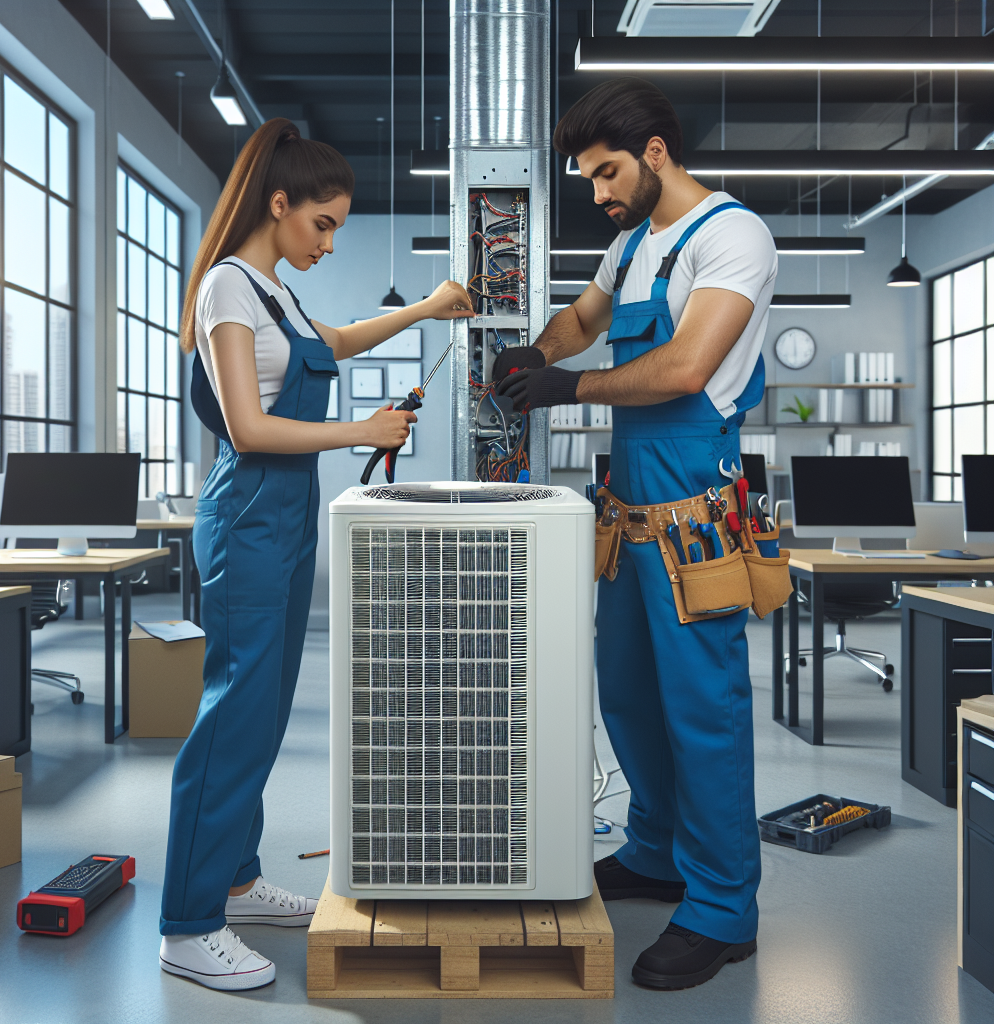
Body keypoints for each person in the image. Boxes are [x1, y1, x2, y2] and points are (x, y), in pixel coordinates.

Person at [159, 118, 473, 992]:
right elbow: (251, 426)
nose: (331, 243)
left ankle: (236, 880)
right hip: (251, 512)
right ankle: (186, 925)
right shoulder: (228, 287)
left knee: (262, 710)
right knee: (233, 715)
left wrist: (425, 308)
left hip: (287, 516)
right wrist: (361, 432)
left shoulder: (274, 292)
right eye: (322, 225)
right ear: (279, 204)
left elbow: (330, 343)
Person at [496, 79, 777, 990]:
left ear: (655, 152)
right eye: (588, 178)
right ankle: (657, 850)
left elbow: (689, 365)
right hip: (627, 511)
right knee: (626, 690)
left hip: (696, 511)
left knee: (704, 706)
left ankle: (724, 907)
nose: (600, 193)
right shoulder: (631, 243)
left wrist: (570, 390)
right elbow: (585, 320)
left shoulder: (731, 236)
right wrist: (539, 354)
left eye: (608, 172)